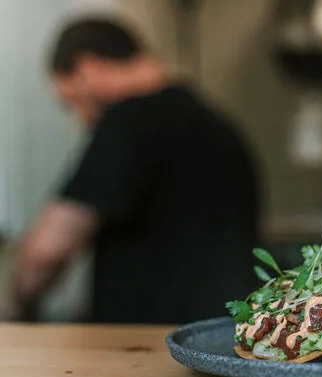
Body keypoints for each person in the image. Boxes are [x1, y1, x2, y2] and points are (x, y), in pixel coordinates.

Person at [11, 18, 260, 323]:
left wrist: (18, 305)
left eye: (73, 102)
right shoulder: (215, 123)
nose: (81, 121)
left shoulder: (128, 121)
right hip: (223, 334)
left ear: (86, 68)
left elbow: (48, 250)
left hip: (152, 342)